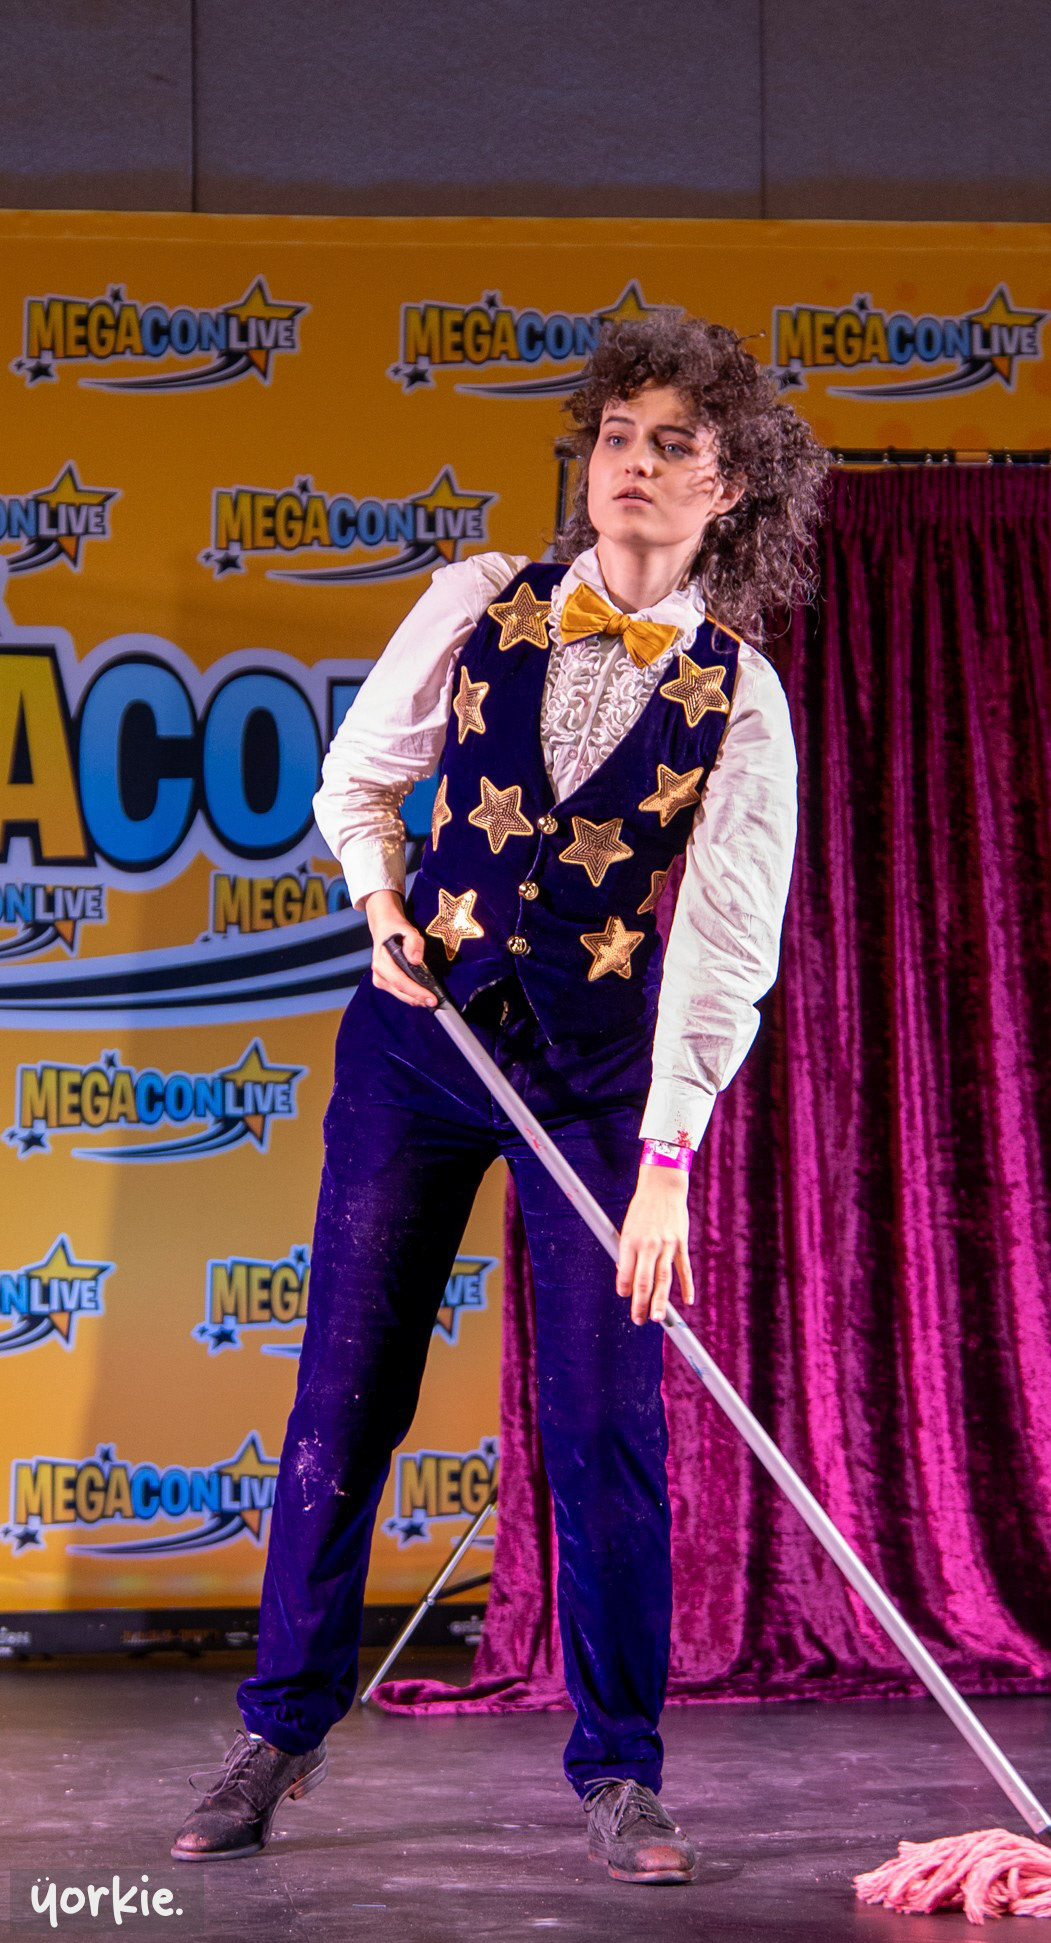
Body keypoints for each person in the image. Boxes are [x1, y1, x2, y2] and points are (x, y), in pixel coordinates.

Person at [170, 311, 826, 1883]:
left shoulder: (740, 698)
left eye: (675, 445)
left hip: (594, 1081)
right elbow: (355, 781)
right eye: (618, 436)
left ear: (731, 486)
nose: (635, 464)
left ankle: (622, 1772)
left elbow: (723, 945)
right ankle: (280, 1729)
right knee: (346, 1394)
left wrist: (665, 1161)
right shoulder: (479, 600)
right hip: (420, 1046)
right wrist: (378, 909)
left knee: (605, 1428)